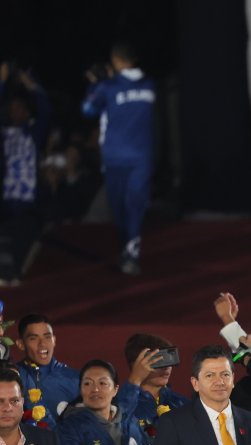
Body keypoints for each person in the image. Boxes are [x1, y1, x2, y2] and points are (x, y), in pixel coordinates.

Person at [81, 42, 156, 276]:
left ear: (115, 60)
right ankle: (128, 250)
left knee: (125, 207)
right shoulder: (150, 85)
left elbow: (87, 110)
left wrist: (95, 83)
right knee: (130, 206)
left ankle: (130, 253)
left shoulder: (107, 87)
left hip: (116, 156)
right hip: (141, 155)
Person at [0, 65, 52, 286]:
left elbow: (46, 111)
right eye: (12, 108)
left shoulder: (33, 131)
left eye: (20, 107)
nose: (16, 111)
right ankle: (8, 272)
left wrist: (31, 86)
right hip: (6, 197)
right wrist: (2, 83)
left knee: (22, 237)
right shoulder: (4, 132)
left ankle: (15, 272)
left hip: (28, 198)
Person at [15, 314, 79, 429]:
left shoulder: (75, 380)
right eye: (33, 338)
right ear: (21, 344)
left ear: (54, 340)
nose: (42, 344)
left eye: (47, 337)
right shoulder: (13, 377)